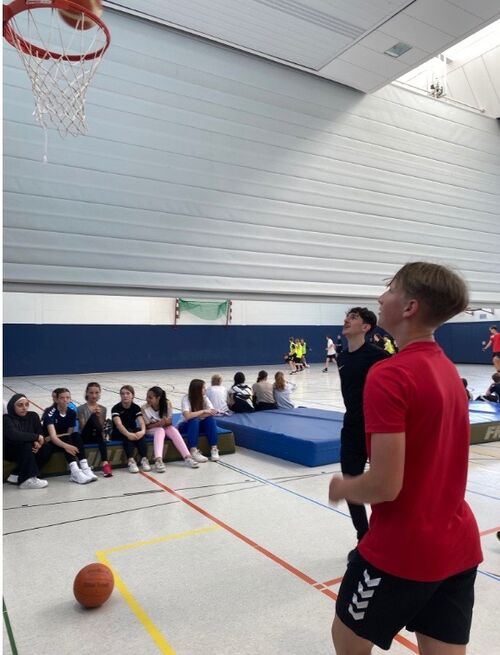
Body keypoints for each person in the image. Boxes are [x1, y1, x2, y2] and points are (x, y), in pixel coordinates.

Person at [329, 261, 482, 655]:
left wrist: (343, 486)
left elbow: (384, 485)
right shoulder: (447, 370)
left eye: (391, 289)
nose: (381, 297)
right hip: (458, 544)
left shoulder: (390, 374)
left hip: (402, 550)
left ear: (410, 306)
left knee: (347, 639)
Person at [336, 308, 389, 549]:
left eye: (353, 317)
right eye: (347, 316)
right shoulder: (342, 357)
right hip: (351, 429)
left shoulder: (380, 357)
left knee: (384, 487)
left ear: (366, 327)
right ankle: (363, 539)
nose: (346, 320)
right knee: (351, 485)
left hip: (378, 430)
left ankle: (385, 535)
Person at [42, 388, 97, 484]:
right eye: (62, 398)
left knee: (76, 435)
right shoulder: (50, 413)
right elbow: (53, 437)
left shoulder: (71, 413)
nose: (65, 400)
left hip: (64, 438)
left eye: (67, 397)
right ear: (56, 400)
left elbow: (70, 432)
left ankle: (85, 467)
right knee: (67, 438)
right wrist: (67, 446)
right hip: (50, 440)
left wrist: (66, 443)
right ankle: (75, 472)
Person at [141, 386, 199, 471]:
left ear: (158, 398)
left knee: (172, 429)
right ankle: (158, 460)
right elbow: (147, 426)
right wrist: (159, 424)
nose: (147, 399)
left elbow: (170, 423)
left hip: (164, 427)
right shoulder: (144, 408)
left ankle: (187, 457)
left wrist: (166, 422)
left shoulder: (167, 403)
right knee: (160, 430)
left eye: (150, 397)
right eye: (147, 397)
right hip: (151, 429)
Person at [3, 394, 48, 489]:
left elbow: (40, 433)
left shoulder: (33, 416)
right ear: (12, 406)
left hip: (27, 448)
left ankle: (16, 474)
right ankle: (26, 480)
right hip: (10, 450)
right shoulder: (6, 418)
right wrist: (35, 438)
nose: (24, 408)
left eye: (27, 404)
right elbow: (15, 435)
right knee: (26, 443)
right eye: (20, 405)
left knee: (47, 446)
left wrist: (38, 443)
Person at [178, 379, 220, 463]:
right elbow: (187, 416)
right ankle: (193, 450)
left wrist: (195, 414)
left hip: (199, 424)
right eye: (203, 388)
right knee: (194, 420)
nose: (205, 389)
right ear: (197, 390)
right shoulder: (186, 398)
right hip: (186, 426)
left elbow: (212, 412)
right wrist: (203, 411)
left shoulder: (205, 398)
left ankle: (214, 448)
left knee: (210, 419)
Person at [111, 385, 149, 474]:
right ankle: (130, 460)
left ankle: (144, 458)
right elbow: (119, 424)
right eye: (122, 394)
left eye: (128, 393)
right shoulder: (115, 408)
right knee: (129, 431)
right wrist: (128, 434)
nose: (125, 396)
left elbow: (141, 422)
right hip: (118, 432)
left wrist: (142, 431)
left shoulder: (136, 407)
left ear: (132, 395)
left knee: (138, 431)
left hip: (131, 431)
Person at [78, 382, 112, 477]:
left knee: (101, 438)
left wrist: (99, 417)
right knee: (93, 418)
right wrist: (92, 415)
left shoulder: (103, 409)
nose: (94, 395)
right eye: (91, 393)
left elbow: (100, 427)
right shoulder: (80, 409)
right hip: (85, 435)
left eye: (96, 393)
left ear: (99, 394)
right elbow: (83, 427)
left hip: (97, 435)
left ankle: (105, 463)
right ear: (87, 393)